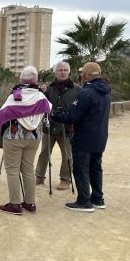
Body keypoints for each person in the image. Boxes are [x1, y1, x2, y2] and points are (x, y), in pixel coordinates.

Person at [0, 66, 52, 215]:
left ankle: (15, 204)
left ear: (20, 79)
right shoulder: (41, 97)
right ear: (36, 80)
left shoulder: (15, 96)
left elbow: (1, 116)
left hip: (14, 138)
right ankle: (30, 203)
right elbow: (49, 111)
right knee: (28, 169)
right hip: (34, 137)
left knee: (12, 169)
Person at [52, 62, 111, 212]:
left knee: (80, 169)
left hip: (84, 138)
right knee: (95, 168)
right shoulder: (105, 91)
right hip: (100, 137)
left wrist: (53, 114)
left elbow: (72, 116)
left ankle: (84, 201)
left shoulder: (86, 92)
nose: (80, 76)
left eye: (82, 73)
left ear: (85, 75)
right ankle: (97, 199)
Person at [35, 61, 81, 190]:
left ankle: (65, 179)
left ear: (69, 72)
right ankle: (39, 176)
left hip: (67, 128)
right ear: (55, 72)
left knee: (67, 155)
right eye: (60, 70)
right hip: (49, 126)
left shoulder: (77, 89)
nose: (63, 72)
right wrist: (42, 92)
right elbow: (41, 105)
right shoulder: (48, 88)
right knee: (44, 153)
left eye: (65, 70)